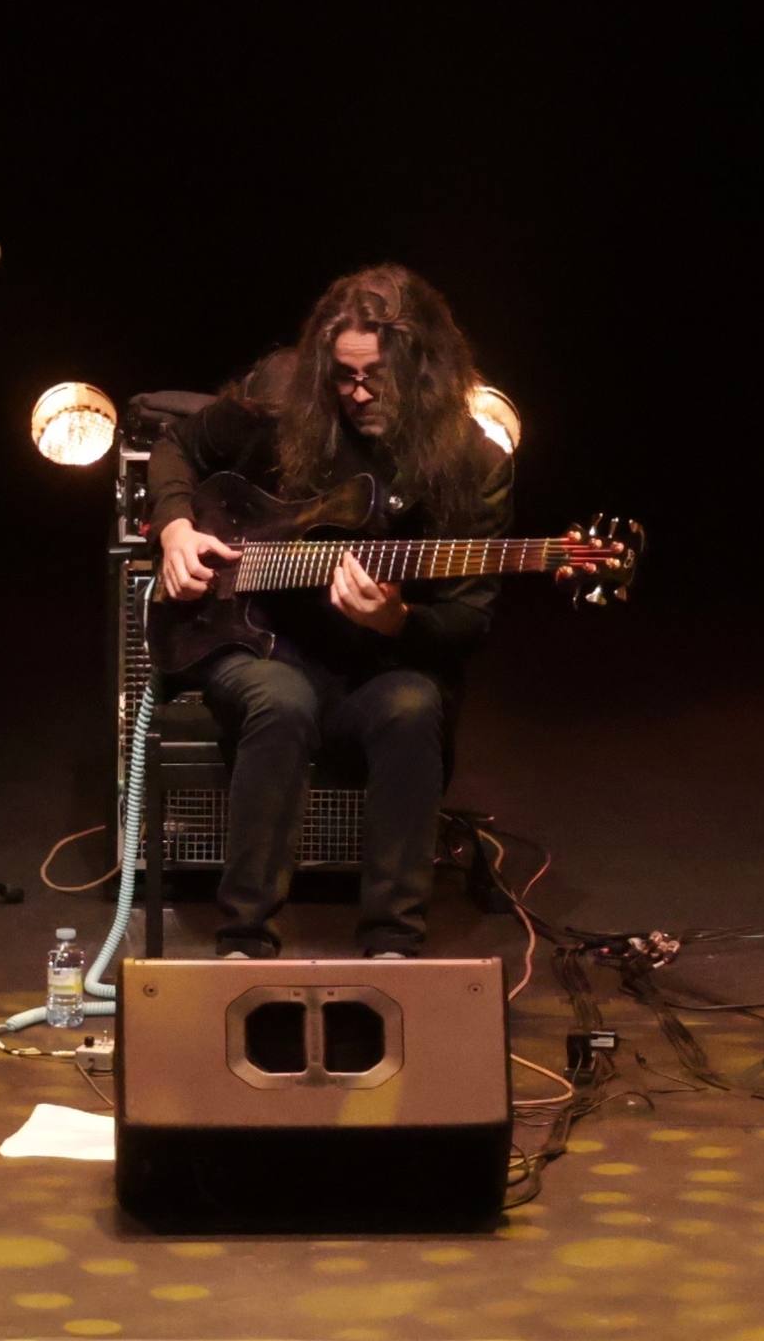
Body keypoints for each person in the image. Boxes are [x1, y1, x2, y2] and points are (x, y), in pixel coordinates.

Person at [147, 264, 512, 959]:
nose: (359, 393)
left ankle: (394, 946)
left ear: (426, 369)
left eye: (378, 376)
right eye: (343, 377)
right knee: (280, 705)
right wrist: (175, 528)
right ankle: (245, 942)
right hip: (256, 641)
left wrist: (397, 622)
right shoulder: (284, 395)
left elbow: (470, 623)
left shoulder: (475, 461)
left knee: (412, 708)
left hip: (379, 661)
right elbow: (177, 447)